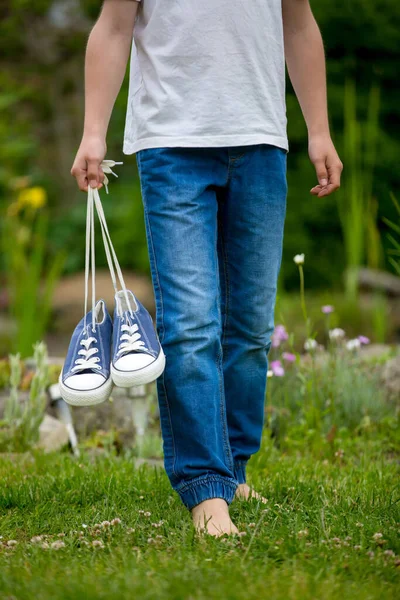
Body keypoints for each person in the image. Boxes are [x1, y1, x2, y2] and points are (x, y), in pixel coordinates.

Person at [71, 0, 343, 537]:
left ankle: (233, 470)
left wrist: (319, 130)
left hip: (261, 142)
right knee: (192, 324)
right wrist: (93, 132)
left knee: (249, 327)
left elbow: (299, 23)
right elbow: (113, 27)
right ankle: (204, 488)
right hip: (172, 145)